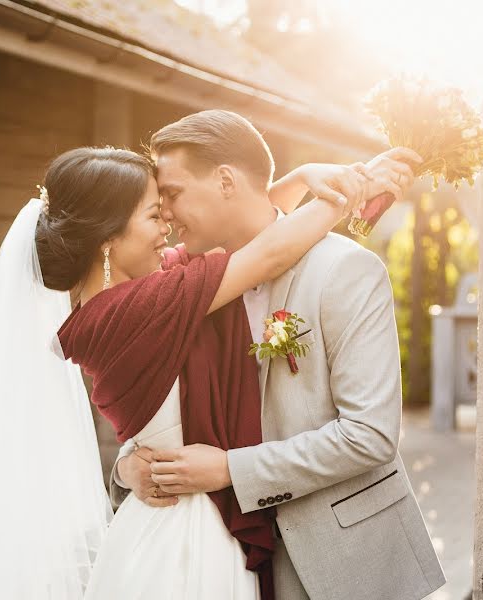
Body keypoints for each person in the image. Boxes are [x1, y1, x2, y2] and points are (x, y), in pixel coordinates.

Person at [0, 141, 407, 599]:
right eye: (153, 215)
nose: (169, 228)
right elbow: (266, 254)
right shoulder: (143, 308)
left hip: (168, 522)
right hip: (189, 539)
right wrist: (352, 189)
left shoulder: (126, 301)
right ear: (108, 236)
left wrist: (303, 178)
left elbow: (245, 230)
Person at [113, 110, 446, 600]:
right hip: (220, 562)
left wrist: (230, 470)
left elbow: (370, 435)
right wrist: (129, 468)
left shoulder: (344, 270)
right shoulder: (189, 286)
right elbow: (161, 406)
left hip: (339, 561)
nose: (164, 212)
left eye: (174, 193)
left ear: (225, 180)